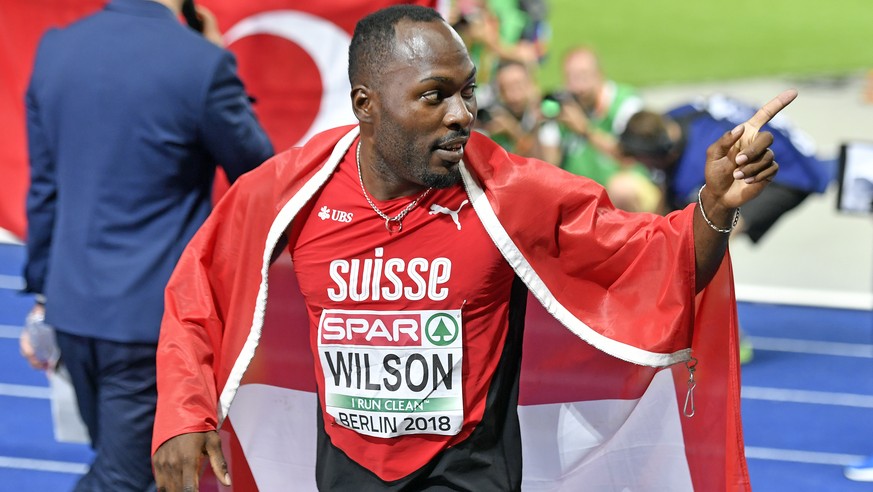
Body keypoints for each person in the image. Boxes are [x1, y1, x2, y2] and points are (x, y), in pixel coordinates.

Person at [151, 5, 795, 490]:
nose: (462, 115)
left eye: (468, 91)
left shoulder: (510, 190)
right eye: (434, 96)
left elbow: (658, 260)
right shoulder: (290, 191)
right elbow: (197, 288)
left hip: (467, 472)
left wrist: (712, 208)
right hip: (347, 472)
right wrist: (182, 413)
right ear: (364, 105)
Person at [19, 0, 274, 490]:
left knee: (125, 467)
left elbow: (44, 190)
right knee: (127, 477)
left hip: (74, 311)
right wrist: (219, 66)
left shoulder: (56, 50)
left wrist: (43, 297)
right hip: (150, 324)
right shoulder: (200, 63)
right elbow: (260, 176)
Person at [618, 94, 832, 243]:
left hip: (788, 173)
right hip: (791, 145)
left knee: (711, 229)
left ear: (663, 155)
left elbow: (673, 216)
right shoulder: (675, 115)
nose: (637, 162)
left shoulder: (692, 171)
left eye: (641, 157)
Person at [544, 46, 660, 211]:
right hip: (584, 197)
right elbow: (548, 166)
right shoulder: (562, 106)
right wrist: (539, 124)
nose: (578, 87)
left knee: (622, 189)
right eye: (571, 79)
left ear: (599, 75)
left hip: (630, 193)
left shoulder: (625, 104)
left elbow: (629, 157)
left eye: (583, 77)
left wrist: (585, 130)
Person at [475, 60, 556, 159]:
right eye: (505, 88)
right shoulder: (490, 115)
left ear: (531, 85)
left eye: (518, 86)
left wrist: (513, 131)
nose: (513, 96)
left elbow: (550, 162)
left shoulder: (541, 115)